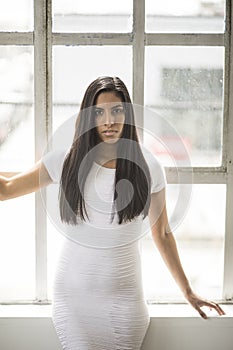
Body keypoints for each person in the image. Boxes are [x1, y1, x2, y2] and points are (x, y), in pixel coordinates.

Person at [0, 76, 225, 350]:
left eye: (117, 110)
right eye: (99, 112)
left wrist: (188, 292)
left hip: (125, 302)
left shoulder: (149, 165)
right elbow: (6, 189)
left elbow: (163, 233)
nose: (109, 121)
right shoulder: (64, 161)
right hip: (75, 301)